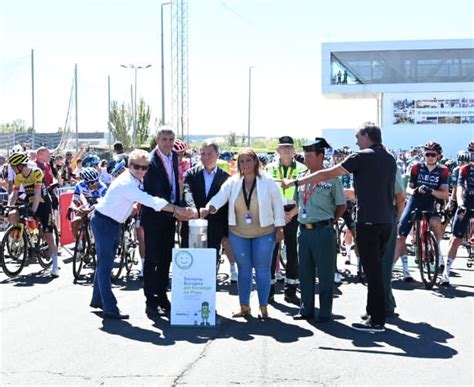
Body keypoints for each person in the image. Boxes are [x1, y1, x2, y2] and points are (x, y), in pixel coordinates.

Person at [283, 122, 397, 332]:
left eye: (358, 136)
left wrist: (295, 182)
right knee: (376, 270)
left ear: (367, 137)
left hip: (369, 221)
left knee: (372, 272)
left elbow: (328, 175)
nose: (356, 141)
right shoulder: (389, 158)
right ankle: (373, 310)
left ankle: (377, 319)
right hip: (386, 221)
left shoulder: (361, 156)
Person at [90, 149, 193, 319]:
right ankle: (110, 307)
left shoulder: (134, 179)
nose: (140, 170)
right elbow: (151, 201)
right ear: (129, 165)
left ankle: (98, 299)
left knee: (104, 263)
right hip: (105, 223)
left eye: (144, 168)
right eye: (136, 166)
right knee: (105, 265)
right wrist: (177, 209)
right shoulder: (128, 183)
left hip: (112, 223)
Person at [200, 148, 285, 319]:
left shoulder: (267, 181)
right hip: (238, 232)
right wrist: (209, 207)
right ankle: (244, 306)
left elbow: (277, 205)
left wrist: (279, 228)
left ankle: (263, 307)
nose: (245, 164)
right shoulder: (233, 181)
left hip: (264, 232)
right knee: (243, 269)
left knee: (262, 269)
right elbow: (220, 196)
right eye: (241, 161)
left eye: (248, 160)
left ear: (255, 162)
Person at [141, 127, 194, 318]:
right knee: (152, 259)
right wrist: (175, 209)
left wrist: (178, 208)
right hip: (154, 215)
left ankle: (162, 295)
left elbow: (174, 185)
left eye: (171, 139)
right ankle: (150, 300)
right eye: (164, 139)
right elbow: (152, 192)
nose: (168, 142)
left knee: (166, 258)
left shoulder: (173, 157)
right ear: (157, 139)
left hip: (169, 216)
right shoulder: (149, 160)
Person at [292, 139, 346, 322]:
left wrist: (331, 221)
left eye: (309, 156)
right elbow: (297, 203)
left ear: (321, 156)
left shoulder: (331, 178)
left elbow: (341, 205)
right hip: (303, 231)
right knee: (305, 272)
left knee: (324, 273)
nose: (305, 159)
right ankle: (306, 308)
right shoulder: (301, 176)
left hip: (323, 230)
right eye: (305, 155)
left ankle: (324, 312)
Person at [393, 142, 449, 281]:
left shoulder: (443, 170)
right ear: (423, 155)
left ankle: (437, 252)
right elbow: (408, 189)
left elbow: (445, 194)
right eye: (427, 154)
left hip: (431, 202)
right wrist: (416, 190)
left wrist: (431, 191)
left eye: (433, 154)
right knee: (401, 235)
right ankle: (390, 268)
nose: (430, 157)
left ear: (438, 156)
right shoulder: (416, 167)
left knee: (436, 223)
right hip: (414, 202)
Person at [181, 142, 233, 276]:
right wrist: (192, 209)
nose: (206, 157)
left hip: (215, 225)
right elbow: (187, 191)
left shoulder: (226, 177)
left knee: (209, 263)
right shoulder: (191, 174)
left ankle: (208, 292)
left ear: (217, 155)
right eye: (203, 153)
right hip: (192, 223)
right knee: (190, 259)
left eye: (210, 153)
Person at [266, 136, 306, 304]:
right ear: (278, 150)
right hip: (275, 213)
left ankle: (290, 291)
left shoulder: (303, 168)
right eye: (283, 147)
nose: (287, 150)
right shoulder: (269, 168)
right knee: (271, 252)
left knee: (292, 252)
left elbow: (305, 193)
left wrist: (292, 213)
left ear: (294, 150)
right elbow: (266, 193)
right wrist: (279, 215)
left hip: (294, 212)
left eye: (290, 147)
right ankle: (269, 291)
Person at [7, 152, 59, 277]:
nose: (13, 169)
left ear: (20, 165)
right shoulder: (19, 177)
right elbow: (14, 194)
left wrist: (32, 211)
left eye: (14, 166)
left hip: (43, 203)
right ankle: (20, 238)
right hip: (30, 201)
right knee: (13, 214)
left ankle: (55, 265)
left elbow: (37, 194)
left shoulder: (36, 172)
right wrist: (9, 207)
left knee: (48, 235)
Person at [441, 142, 474, 286]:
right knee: (456, 239)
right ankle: (446, 273)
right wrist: (460, 204)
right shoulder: (464, 169)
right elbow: (460, 187)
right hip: (467, 202)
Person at [69, 167, 107, 240]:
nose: (95, 184)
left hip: (99, 208)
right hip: (87, 207)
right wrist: (75, 208)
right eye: (92, 182)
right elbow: (74, 200)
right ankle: (78, 243)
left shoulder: (102, 186)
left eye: (97, 181)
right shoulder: (79, 186)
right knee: (74, 223)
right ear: (86, 182)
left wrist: (89, 210)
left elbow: (103, 203)